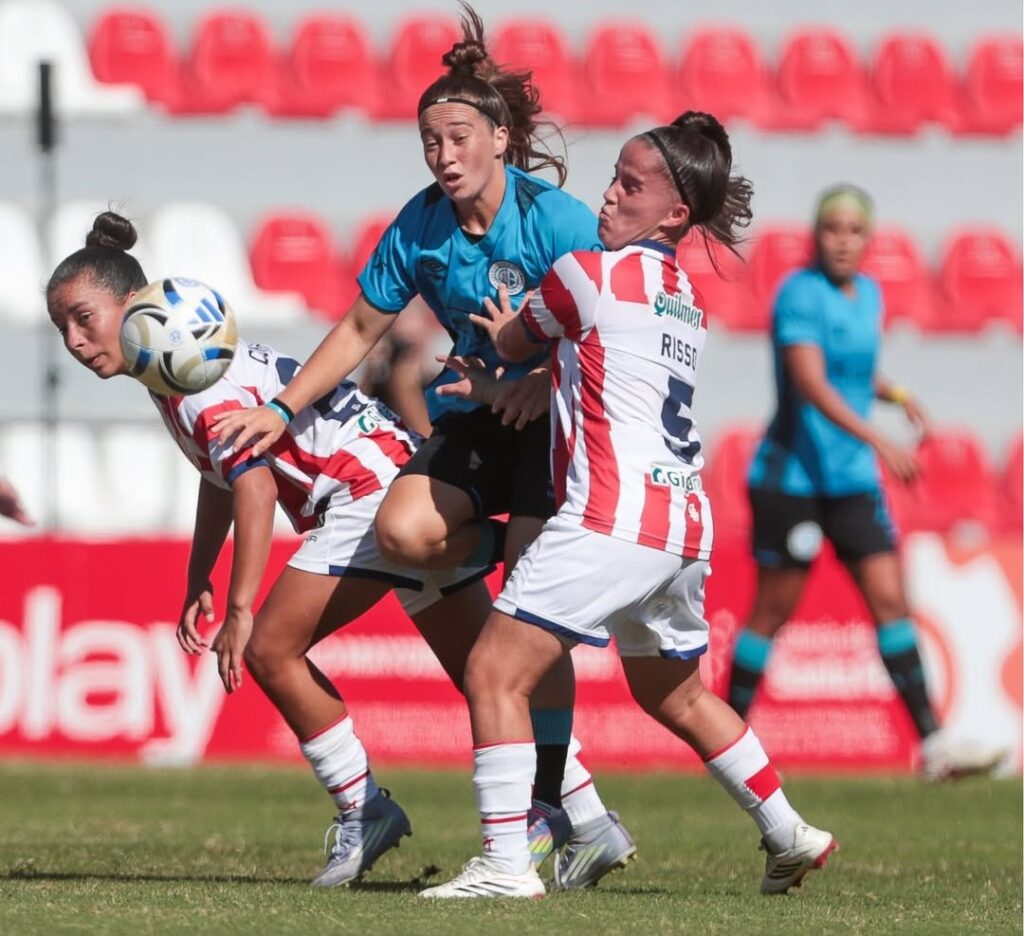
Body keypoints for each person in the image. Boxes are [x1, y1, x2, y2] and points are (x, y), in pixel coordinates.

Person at [211, 2, 633, 884]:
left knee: (531, 621)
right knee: (404, 530)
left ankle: (555, 812)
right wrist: (284, 407)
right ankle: (510, 573)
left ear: (501, 138)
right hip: (480, 411)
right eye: (430, 141)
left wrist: (542, 376)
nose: (442, 154)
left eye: (457, 137)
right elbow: (360, 326)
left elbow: (615, 326)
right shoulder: (420, 225)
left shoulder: (556, 221)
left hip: (558, 421)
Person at [419, 112, 836, 900]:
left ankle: (506, 865)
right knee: (675, 693)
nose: (608, 196)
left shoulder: (586, 274)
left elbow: (516, 341)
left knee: (493, 672)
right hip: (681, 523)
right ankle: (789, 832)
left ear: (676, 213)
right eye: (613, 177)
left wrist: (504, 341)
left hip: (611, 517)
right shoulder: (687, 300)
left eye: (630, 186)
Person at [47, 211, 501, 888]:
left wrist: (240, 607)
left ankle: (365, 809)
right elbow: (222, 476)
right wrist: (199, 573)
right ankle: (578, 813)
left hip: (363, 490)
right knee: (489, 673)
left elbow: (254, 487)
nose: (75, 341)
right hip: (389, 473)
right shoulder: (178, 366)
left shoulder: (190, 377)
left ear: (135, 303)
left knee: (268, 649)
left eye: (84, 318)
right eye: (62, 328)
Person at [727, 185, 1006, 782]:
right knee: (772, 611)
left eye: (855, 231)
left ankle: (934, 745)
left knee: (889, 601)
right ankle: (724, 743)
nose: (843, 241)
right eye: (833, 229)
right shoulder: (798, 294)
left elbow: (853, 371)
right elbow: (811, 382)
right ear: (816, 235)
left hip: (850, 482)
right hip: (792, 479)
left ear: (868, 239)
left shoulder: (869, 295)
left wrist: (897, 394)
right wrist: (880, 441)